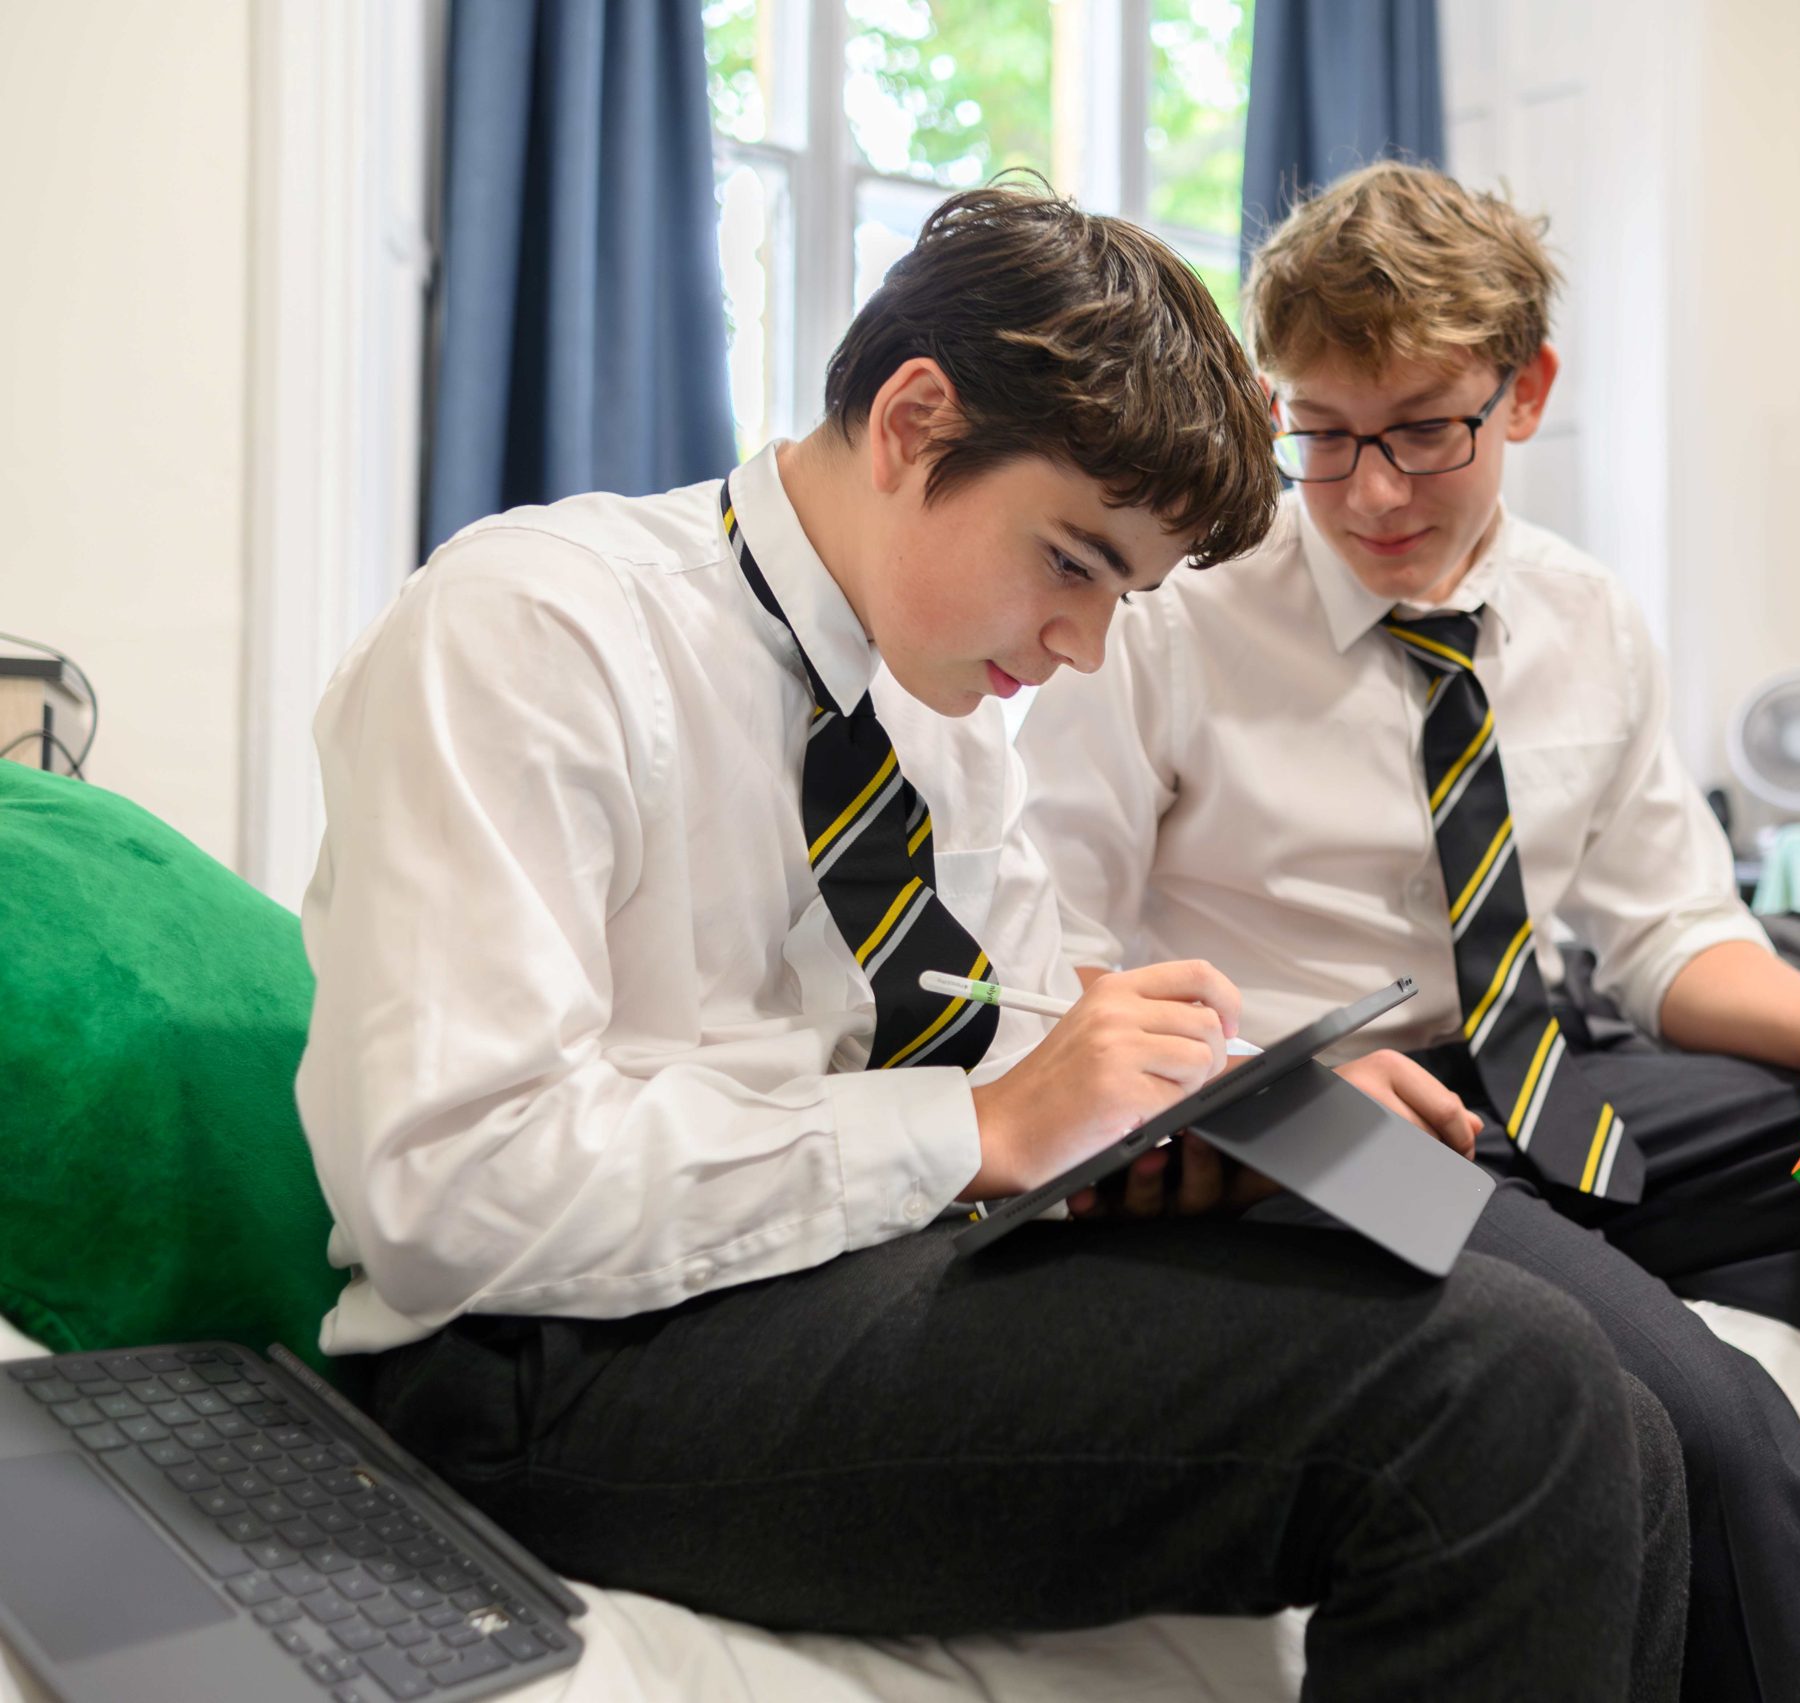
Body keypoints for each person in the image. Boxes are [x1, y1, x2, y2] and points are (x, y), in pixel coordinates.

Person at [296, 182, 1691, 1702]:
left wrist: (1225, 1103)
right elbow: (448, 1185)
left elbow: (1025, 1020)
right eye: (1076, 564)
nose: (1084, 648)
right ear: (913, 423)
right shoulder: (533, 629)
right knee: (1496, 1393)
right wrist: (974, 1131)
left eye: (1127, 595)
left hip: (841, 1274)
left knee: (1613, 1402)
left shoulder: (934, 703)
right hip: (549, 1363)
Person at [1017, 161, 1800, 1702]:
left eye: (1425, 433)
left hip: (1552, 1080)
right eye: (1322, 435)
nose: (1372, 492)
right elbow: (1054, 955)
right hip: (1310, 1119)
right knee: (1699, 1426)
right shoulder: (1172, 615)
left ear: (1525, 394)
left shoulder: (1585, 617)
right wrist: (1260, 1084)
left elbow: (1666, 933)